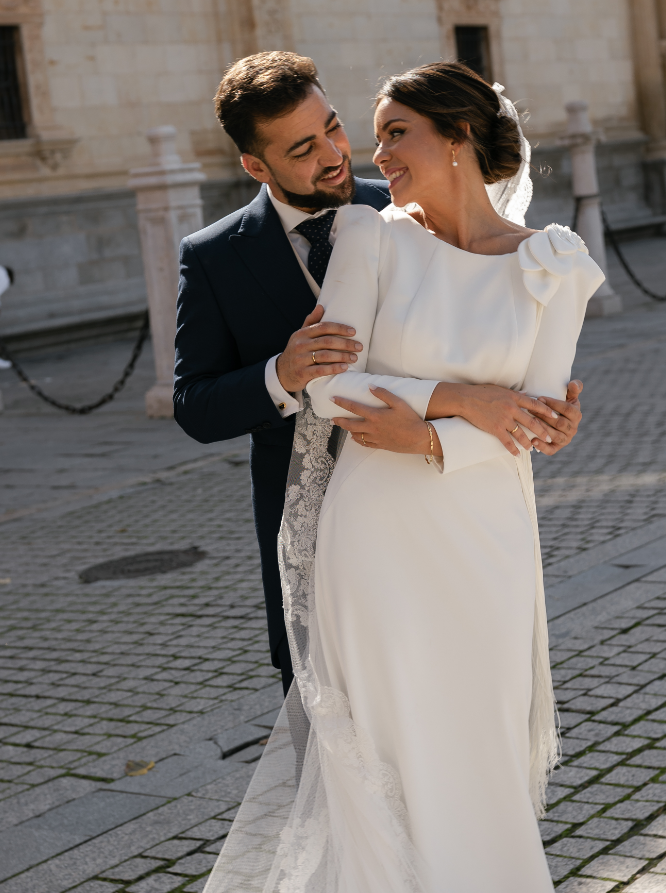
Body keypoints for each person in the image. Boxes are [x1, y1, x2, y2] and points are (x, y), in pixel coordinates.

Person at [202, 62, 609, 891]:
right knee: (393, 749)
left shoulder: (557, 264)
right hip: (376, 535)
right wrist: (464, 401)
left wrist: (430, 436)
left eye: (395, 133)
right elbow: (330, 383)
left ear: (457, 137)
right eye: (377, 132)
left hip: (485, 534)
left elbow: (532, 419)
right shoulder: (368, 235)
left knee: (479, 746)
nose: (373, 154)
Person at [173, 52, 585, 692]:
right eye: (304, 148)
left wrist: (532, 414)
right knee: (334, 742)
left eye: (334, 128)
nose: (337, 155)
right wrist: (280, 373)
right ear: (257, 166)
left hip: (452, 507)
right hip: (317, 530)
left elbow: (508, 348)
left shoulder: (404, 205)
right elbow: (193, 404)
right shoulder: (213, 258)